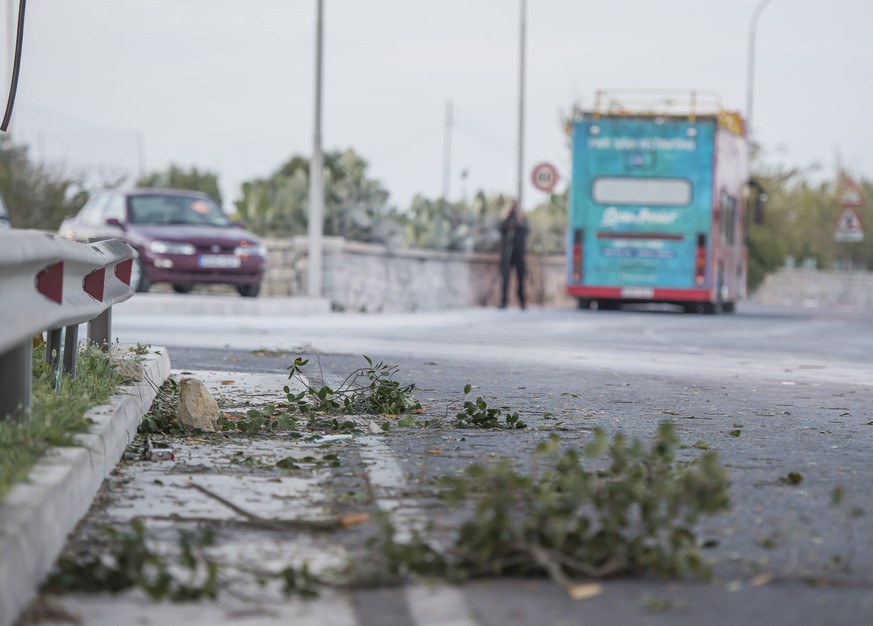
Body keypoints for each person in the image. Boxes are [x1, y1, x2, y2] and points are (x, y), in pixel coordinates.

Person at [498, 200, 529, 309]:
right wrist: (506, 218)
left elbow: (526, 231)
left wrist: (519, 222)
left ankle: (522, 302)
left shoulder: (522, 219)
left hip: (519, 253)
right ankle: (503, 302)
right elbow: (500, 228)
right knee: (505, 278)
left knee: (521, 279)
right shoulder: (505, 219)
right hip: (507, 253)